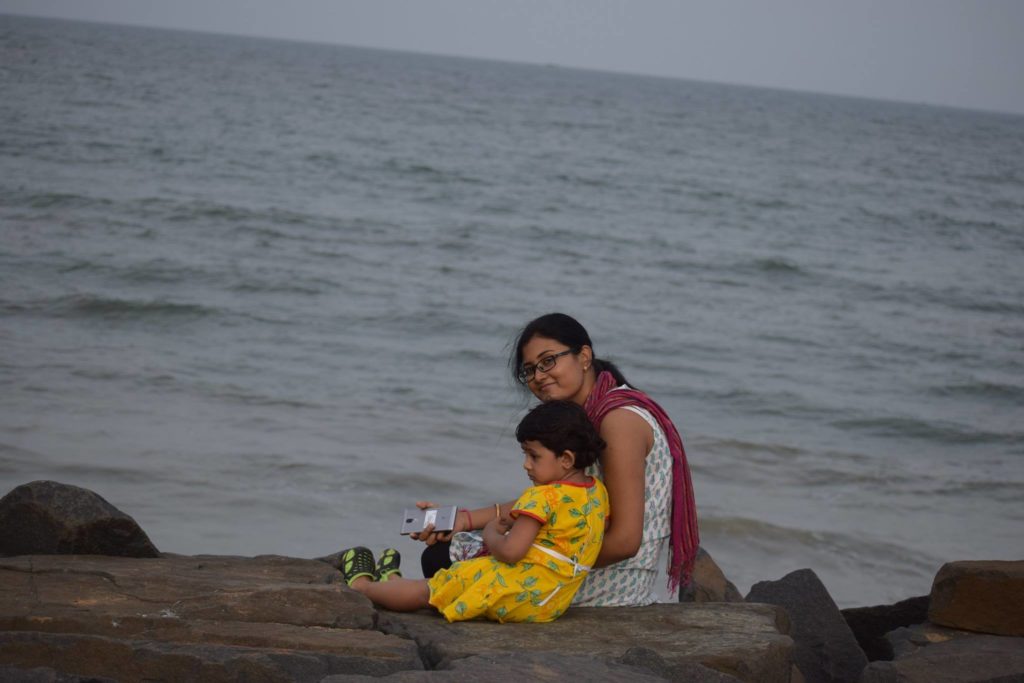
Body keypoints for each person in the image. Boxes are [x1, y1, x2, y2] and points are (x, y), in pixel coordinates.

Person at [416, 312, 698, 606]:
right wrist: (463, 520)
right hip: (575, 557)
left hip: (610, 578)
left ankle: (376, 583)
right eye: (529, 370)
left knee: (443, 559)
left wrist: (539, 560)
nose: (538, 376)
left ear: (584, 356)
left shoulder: (618, 421)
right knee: (448, 548)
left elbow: (625, 541)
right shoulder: (586, 415)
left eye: (548, 361)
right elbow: (559, 501)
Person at [339, 400, 609, 623]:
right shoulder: (596, 492)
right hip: (551, 602)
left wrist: (491, 532)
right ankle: (392, 579)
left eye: (533, 456)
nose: (526, 465)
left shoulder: (542, 496)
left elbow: (511, 552)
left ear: (566, 459)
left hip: (516, 592)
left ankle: (364, 587)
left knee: (432, 591)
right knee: (442, 583)